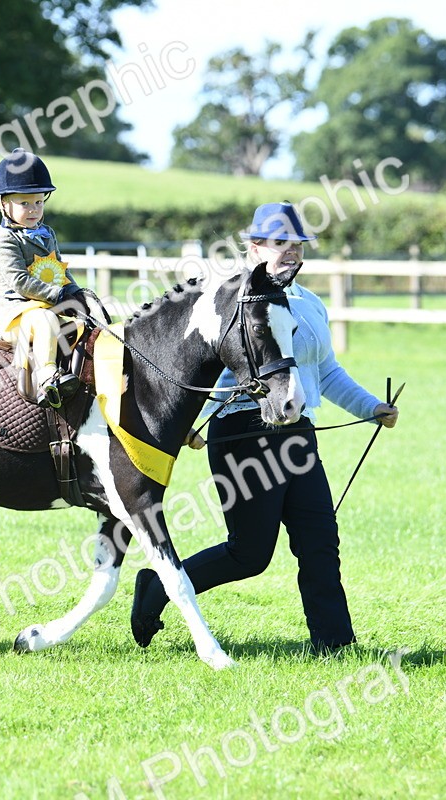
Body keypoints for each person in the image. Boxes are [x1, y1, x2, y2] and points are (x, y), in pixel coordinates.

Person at [130, 201, 400, 655]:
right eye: (280, 244)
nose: (291, 253)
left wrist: (371, 406)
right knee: (250, 554)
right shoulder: (229, 303)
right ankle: (158, 585)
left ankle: (334, 646)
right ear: (254, 247)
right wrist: (189, 425)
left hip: (298, 434)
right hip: (244, 436)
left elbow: (326, 372)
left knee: (319, 541)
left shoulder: (308, 304)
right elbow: (200, 368)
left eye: (297, 245)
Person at [0, 148, 84, 406]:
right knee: (44, 318)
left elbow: (60, 269)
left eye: (38, 202)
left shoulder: (47, 233)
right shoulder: (4, 240)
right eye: (24, 203)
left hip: (50, 304)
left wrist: (77, 293)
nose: (33, 209)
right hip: (15, 314)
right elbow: (21, 282)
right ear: (3, 204)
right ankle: (47, 376)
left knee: (89, 327)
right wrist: (59, 295)